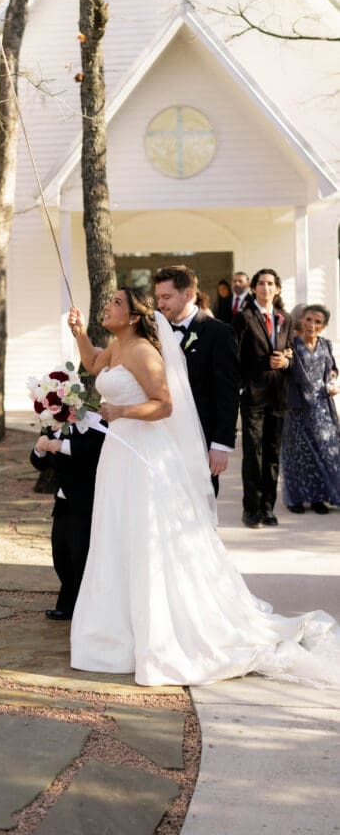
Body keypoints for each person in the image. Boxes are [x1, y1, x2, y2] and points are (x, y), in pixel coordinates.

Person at [66, 289, 340, 687]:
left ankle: (156, 631)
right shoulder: (115, 347)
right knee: (117, 535)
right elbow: (92, 363)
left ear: (132, 316)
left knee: (145, 537)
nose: (107, 306)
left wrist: (121, 411)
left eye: (115, 303)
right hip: (119, 454)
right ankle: (117, 631)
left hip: (144, 455)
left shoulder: (143, 351)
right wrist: (78, 332)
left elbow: (164, 404)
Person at [153, 264, 240, 495]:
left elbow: (227, 393)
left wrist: (221, 444)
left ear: (188, 294)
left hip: (202, 437)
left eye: (167, 297)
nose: (160, 304)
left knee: (201, 503)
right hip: (161, 436)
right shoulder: (153, 333)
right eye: (158, 297)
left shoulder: (219, 332)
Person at [30, 412, 107, 620]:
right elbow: (40, 464)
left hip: (85, 502)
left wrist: (63, 446)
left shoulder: (89, 423)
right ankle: (69, 604)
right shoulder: (49, 426)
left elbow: (99, 450)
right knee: (60, 554)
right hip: (63, 502)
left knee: (80, 555)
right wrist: (40, 448)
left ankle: (80, 608)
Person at [234, 268, 293, 528]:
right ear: (254, 288)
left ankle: (268, 508)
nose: (265, 287)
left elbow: (291, 350)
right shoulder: (243, 317)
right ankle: (251, 509)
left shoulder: (286, 318)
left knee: (272, 453)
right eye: (261, 283)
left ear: (277, 289)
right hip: (253, 395)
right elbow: (234, 356)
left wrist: (287, 361)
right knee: (253, 454)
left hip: (278, 395)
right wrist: (242, 386)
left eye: (270, 283)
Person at [281, 304, 340, 515]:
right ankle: (295, 499)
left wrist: (333, 382)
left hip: (322, 406)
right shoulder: (291, 344)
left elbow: (332, 368)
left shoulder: (325, 344)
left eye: (317, 322)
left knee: (325, 450)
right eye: (308, 320)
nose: (312, 325)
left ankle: (319, 498)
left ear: (323, 326)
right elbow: (286, 368)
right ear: (301, 320)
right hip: (297, 405)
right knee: (298, 454)